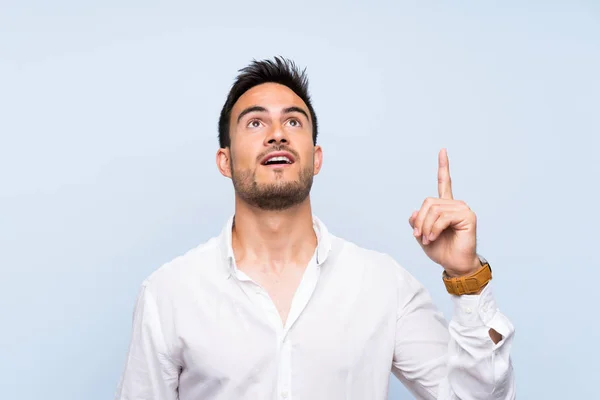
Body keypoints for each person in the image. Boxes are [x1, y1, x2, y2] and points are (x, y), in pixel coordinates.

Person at [115, 57, 515, 400]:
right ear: (224, 160)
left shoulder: (383, 285)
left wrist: (468, 278)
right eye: (254, 123)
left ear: (316, 157)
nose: (277, 134)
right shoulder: (169, 294)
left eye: (293, 121)